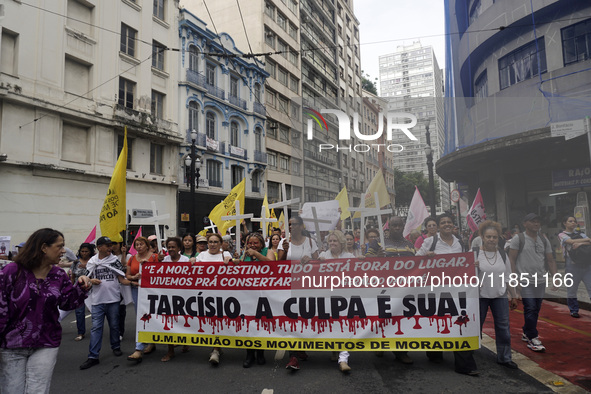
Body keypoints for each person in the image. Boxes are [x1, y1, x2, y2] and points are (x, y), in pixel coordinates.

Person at [0, 229, 91, 393]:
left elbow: (67, 303)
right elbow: (1, 309)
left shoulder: (58, 275)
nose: (64, 250)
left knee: (37, 390)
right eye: (60, 246)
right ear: (44, 248)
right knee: (12, 390)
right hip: (12, 345)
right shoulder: (12, 271)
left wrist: (82, 286)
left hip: (46, 343)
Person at [416, 213, 477, 376]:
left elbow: (468, 262)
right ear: (438, 226)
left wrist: (473, 263)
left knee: (459, 322)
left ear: (453, 225)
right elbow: (415, 262)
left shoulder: (461, 243)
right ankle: (435, 353)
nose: (446, 224)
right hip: (435, 290)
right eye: (443, 222)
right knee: (438, 320)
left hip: (457, 291)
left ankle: (465, 365)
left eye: (449, 222)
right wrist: (425, 257)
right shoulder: (429, 242)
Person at [508, 213, 557, 353]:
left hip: (540, 281)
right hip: (525, 281)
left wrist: (555, 277)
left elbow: (550, 259)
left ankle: (526, 331)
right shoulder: (518, 239)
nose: (536, 224)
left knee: (536, 308)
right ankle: (532, 337)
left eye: (538, 221)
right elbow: (511, 260)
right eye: (532, 221)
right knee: (530, 307)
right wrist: (514, 279)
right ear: (525, 223)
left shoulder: (544, 239)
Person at [473, 220, 518, 369]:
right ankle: (470, 355)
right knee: (475, 326)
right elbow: (464, 275)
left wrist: (514, 295)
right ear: (482, 237)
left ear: (499, 238)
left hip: (500, 296)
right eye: (488, 237)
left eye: (495, 237)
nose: (492, 240)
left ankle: (504, 358)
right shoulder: (474, 253)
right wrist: (472, 267)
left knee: (503, 327)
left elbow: (508, 276)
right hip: (479, 297)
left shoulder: (502, 254)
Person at [80, 237, 130, 370]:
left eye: (111, 245)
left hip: (113, 300)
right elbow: (85, 278)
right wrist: (91, 280)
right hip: (97, 301)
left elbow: (122, 279)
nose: (110, 248)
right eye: (107, 245)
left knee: (114, 325)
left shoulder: (114, 260)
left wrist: (137, 283)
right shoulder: (92, 261)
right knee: (96, 328)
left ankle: (116, 346)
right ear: (99, 247)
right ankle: (93, 356)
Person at [279, 216, 319, 370]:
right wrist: (285, 251)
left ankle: (300, 347)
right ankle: (293, 356)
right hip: (288, 287)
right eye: (289, 225)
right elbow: (278, 265)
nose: (291, 227)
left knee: (303, 317)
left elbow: (320, 264)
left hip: (307, 286)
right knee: (292, 319)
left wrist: (311, 260)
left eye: (294, 224)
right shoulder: (285, 243)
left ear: (301, 226)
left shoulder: (310, 242)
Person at [318, 230, 355, 373]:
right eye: (330, 241)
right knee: (330, 324)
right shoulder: (323, 256)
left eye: (335, 241)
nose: (332, 244)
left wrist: (363, 260)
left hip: (344, 297)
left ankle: (343, 359)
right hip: (327, 296)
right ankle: (334, 349)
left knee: (344, 325)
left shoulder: (350, 256)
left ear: (341, 243)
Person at [238, 233, 275, 368]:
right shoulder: (245, 254)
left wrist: (256, 254)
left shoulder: (268, 251)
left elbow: (272, 264)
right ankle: (249, 354)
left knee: (261, 323)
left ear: (261, 244)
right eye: (250, 243)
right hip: (248, 294)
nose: (252, 245)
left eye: (255, 243)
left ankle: (260, 353)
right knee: (248, 323)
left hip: (264, 294)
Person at [195, 233, 232, 365]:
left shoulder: (225, 254)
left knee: (218, 320)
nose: (212, 244)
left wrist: (228, 260)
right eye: (210, 241)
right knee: (210, 320)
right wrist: (192, 261)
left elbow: (229, 262)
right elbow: (193, 266)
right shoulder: (202, 255)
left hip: (221, 294)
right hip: (205, 293)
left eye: (216, 242)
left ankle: (215, 350)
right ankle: (218, 347)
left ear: (221, 243)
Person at [126, 236, 159, 362]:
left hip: (151, 291)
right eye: (137, 245)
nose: (139, 247)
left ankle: (140, 348)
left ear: (147, 245)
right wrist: (134, 277)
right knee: (141, 317)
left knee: (150, 315)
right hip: (137, 289)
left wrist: (148, 266)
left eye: (141, 244)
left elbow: (160, 273)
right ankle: (145, 344)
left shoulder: (154, 257)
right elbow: (127, 275)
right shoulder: (132, 258)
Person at [160, 237, 191, 362]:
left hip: (183, 296)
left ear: (179, 248)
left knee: (183, 320)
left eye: (173, 247)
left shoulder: (185, 260)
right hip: (168, 296)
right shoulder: (164, 261)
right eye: (169, 247)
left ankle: (185, 342)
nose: (171, 249)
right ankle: (170, 351)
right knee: (169, 321)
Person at [557, 215, 591, 318]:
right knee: (572, 289)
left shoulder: (581, 234)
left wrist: (580, 244)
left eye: (574, 221)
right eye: (570, 221)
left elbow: (590, 240)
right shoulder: (562, 235)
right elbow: (570, 242)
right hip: (571, 265)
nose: (573, 223)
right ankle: (573, 310)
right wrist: (585, 241)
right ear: (565, 223)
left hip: (586, 265)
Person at [71, 243, 96, 341]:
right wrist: (71, 288)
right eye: (82, 251)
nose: (84, 253)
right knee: (79, 312)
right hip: (78, 290)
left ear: (90, 252)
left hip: (91, 289)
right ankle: (80, 332)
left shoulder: (94, 262)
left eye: (86, 251)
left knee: (94, 311)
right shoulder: (76, 263)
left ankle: (96, 330)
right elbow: (72, 276)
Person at [112, 241, 131, 341]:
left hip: (123, 286)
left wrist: (123, 253)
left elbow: (124, 264)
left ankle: (120, 331)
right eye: (112, 244)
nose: (114, 246)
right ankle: (114, 330)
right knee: (113, 311)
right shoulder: (109, 257)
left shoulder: (128, 256)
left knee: (120, 311)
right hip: (112, 287)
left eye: (115, 244)